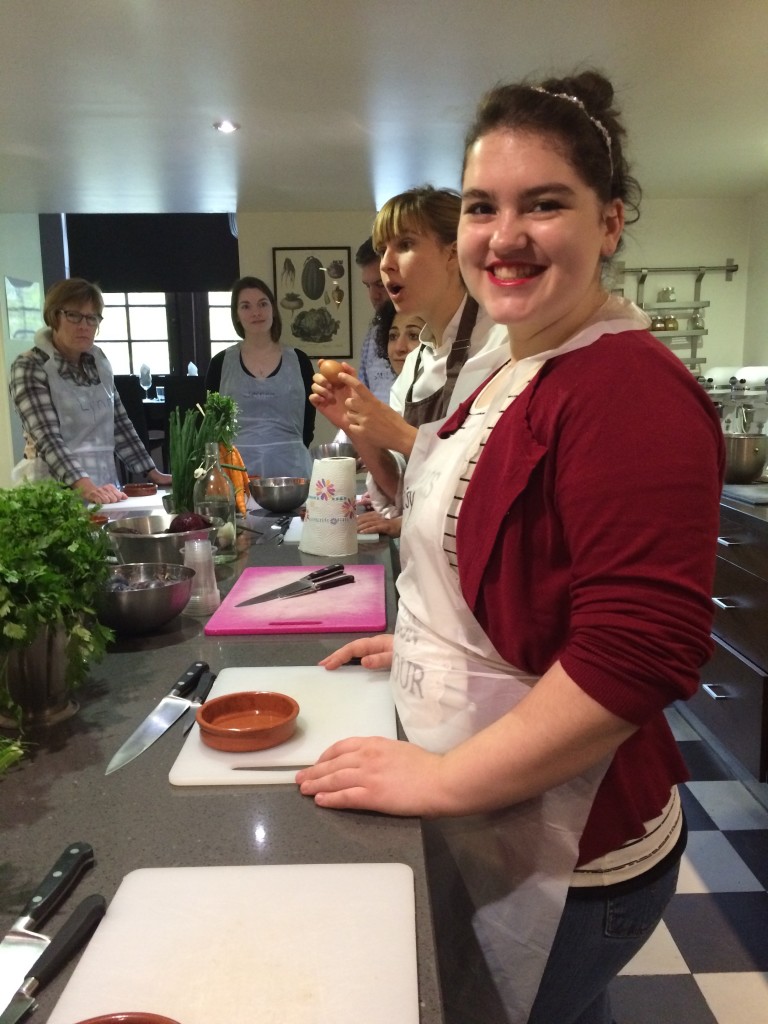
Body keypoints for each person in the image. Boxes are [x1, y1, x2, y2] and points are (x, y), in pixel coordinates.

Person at [297, 70, 725, 1024]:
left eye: (546, 204)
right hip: (505, 818)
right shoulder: (512, 362)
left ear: (610, 223)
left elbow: (637, 656)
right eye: (485, 206)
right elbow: (476, 548)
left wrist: (445, 774)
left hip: (576, 849)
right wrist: (425, 640)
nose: (506, 234)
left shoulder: (628, 391)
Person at [311, 186, 508, 513]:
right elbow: (403, 493)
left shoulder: (504, 346)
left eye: (404, 244)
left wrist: (403, 436)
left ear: (452, 252)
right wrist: (355, 427)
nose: (386, 263)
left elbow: (498, 481)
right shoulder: (417, 364)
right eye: (382, 248)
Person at [9, 277, 170, 505]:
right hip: (51, 490)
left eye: (92, 318)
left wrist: (152, 472)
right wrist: (86, 487)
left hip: (102, 483)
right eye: (74, 315)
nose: (84, 325)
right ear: (55, 316)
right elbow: (47, 438)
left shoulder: (99, 362)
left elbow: (119, 424)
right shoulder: (30, 365)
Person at [205, 276, 315, 479]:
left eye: (262, 304)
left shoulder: (299, 361)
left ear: (273, 308)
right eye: (246, 306)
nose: (256, 312)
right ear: (236, 315)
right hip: (236, 473)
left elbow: (308, 422)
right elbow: (209, 423)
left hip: (293, 472)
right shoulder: (220, 363)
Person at [356, 300, 424, 537]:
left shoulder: (451, 388)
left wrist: (403, 521)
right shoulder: (401, 390)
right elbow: (398, 482)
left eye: (413, 335)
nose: (400, 347)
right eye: (393, 336)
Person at [354, 237, 395, 402]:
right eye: (367, 286)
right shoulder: (373, 334)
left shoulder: (430, 330)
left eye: (380, 284)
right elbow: (364, 396)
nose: (373, 296)